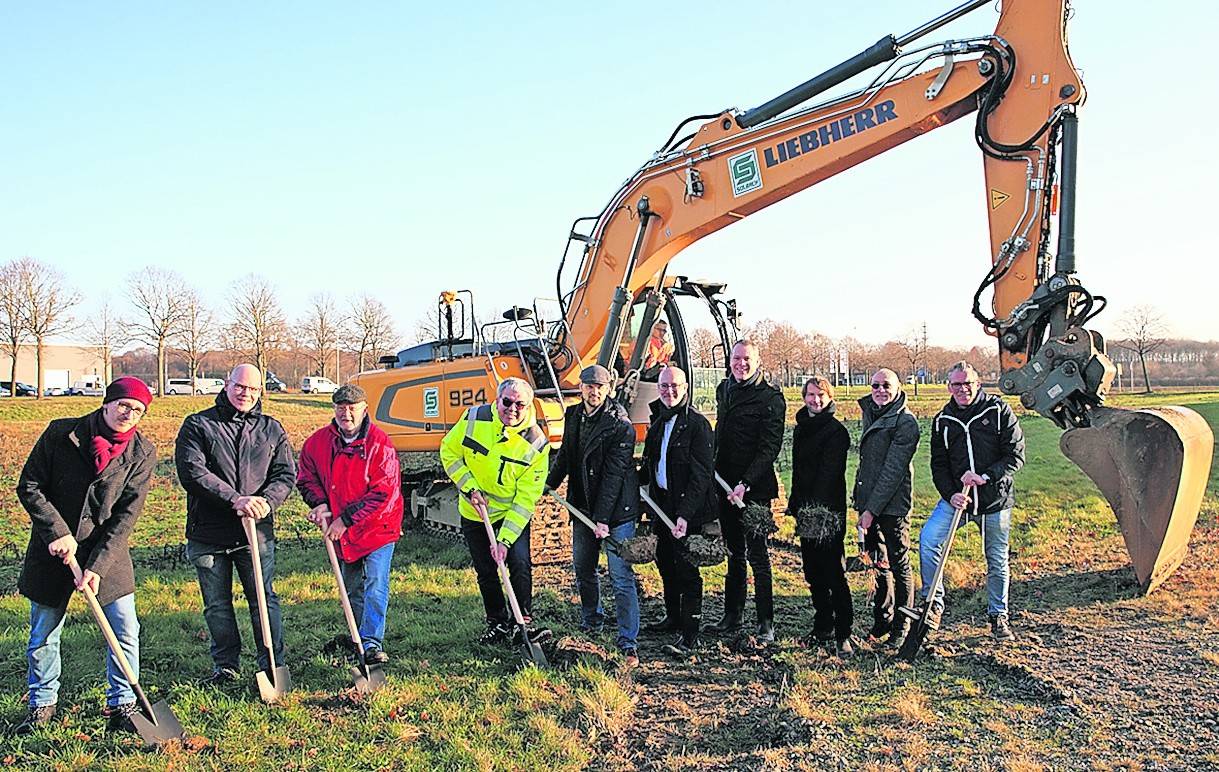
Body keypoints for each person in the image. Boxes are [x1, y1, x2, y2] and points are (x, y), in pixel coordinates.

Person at [14, 377, 156, 735]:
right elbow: (29, 485)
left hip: (107, 551)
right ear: (107, 403)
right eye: (124, 405)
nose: (129, 414)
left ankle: (123, 703)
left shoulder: (142, 452)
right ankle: (42, 702)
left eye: (138, 410)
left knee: (125, 629)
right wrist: (57, 532)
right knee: (44, 633)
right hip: (54, 550)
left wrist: (98, 566)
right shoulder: (61, 434)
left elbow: (127, 516)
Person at [175, 364, 296, 685]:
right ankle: (226, 665)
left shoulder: (271, 429)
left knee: (263, 599)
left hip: (256, 533)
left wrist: (267, 501)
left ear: (260, 391)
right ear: (227, 384)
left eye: (253, 389)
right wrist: (235, 499)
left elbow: (285, 474)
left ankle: (272, 663)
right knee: (217, 605)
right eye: (240, 386)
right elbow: (192, 472)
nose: (246, 394)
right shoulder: (198, 425)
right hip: (208, 532)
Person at [297, 384, 404, 664]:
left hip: (378, 526)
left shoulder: (380, 444)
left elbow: (383, 492)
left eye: (352, 408)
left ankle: (372, 643)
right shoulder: (317, 443)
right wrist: (319, 503)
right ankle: (357, 639)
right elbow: (306, 477)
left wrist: (345, 520)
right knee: (351, 586)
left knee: (376, 583)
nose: (346, 413)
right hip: (342, 531)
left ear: (364, 409)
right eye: (340, 408)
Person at [440, 377, 551, 646]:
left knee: (519, 563)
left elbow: (526, 499)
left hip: (510, 514)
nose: (512, 409)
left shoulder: (536, 444)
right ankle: (497, 622)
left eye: (520, 404)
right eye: (507, 402)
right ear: (497, 400)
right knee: (486, 570)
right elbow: (449, 452)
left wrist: (504, 541)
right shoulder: (473, 419)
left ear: (528, 406)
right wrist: (470, 488)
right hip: (475, 511)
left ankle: (522, 621)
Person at [920, 361, 1025, 641]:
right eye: (957, 384)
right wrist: (950, 494)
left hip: (994, 501)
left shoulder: (998, 411)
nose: (962, 389)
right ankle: (932, 605)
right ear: (949, 387)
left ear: (978, 384)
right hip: (958, 501)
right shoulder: (943, 420)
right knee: (929, 540)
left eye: (967, 383)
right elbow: (939, 465)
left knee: (996, 558)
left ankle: (998, 615)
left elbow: (1015, 455)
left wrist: (986, 477)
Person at [544, 365, 640, 665]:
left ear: (608, 389)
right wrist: (550, 483)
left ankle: (628, 641)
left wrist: (602, 519)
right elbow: (566, 455)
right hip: (583, 507)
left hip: (617, 512)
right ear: (581, 388)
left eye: (599, 387)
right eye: (589, 386)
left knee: (620, 576)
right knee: (583, 568)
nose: (594, 391)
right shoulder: (573, 415)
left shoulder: (620, 425)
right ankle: (591, 621)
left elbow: (614, 475)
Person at [710, 340, 786, 641]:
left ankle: (766, 622)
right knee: (734, 553)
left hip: (753, 489)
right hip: (725, 485)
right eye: (736, 358)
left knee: (758, 555)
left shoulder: (770, 398)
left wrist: (746, 483)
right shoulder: (724, 390)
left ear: (758, 361)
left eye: (747, 359)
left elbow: (770, 447)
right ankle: (732, 615)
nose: (741, 364)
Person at [639, 365, 716, 657]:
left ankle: (690, 633)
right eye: (664, 386)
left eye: (675, 386)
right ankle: (672, 616)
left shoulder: (697, 424)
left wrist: (685, 515)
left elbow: (701, 475)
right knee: (665, 563)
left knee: (687, 570)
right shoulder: (658, 423)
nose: (669, 391)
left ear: (685, 388)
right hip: (662, 505)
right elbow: (650, 465)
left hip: (688, 509)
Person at [854, 367, 921, 647]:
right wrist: (861, 502)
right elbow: (868, 464)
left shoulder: (905, 422)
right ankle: (883, 619)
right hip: (868, 501)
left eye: (886, 386)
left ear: (898, 388)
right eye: (875, 385)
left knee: (898, 563)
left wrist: (871, 510)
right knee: (877, 563)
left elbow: (892, 471)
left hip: (893, 506)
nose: (880, 390)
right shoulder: (872, 412)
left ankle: (902, 627)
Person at [788, 376, 854, 656]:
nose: (815, 400)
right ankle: (823, 624)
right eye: (811, 395)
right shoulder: (801, 428)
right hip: (806, 511)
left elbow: (829, 474)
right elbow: (798, 470)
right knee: (812, 571)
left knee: (833, 571)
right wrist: (795, 503)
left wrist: (818, 513)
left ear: (830, 398)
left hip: (827, 513)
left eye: (821, 395)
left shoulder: (836, 432)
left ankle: (843, 632)